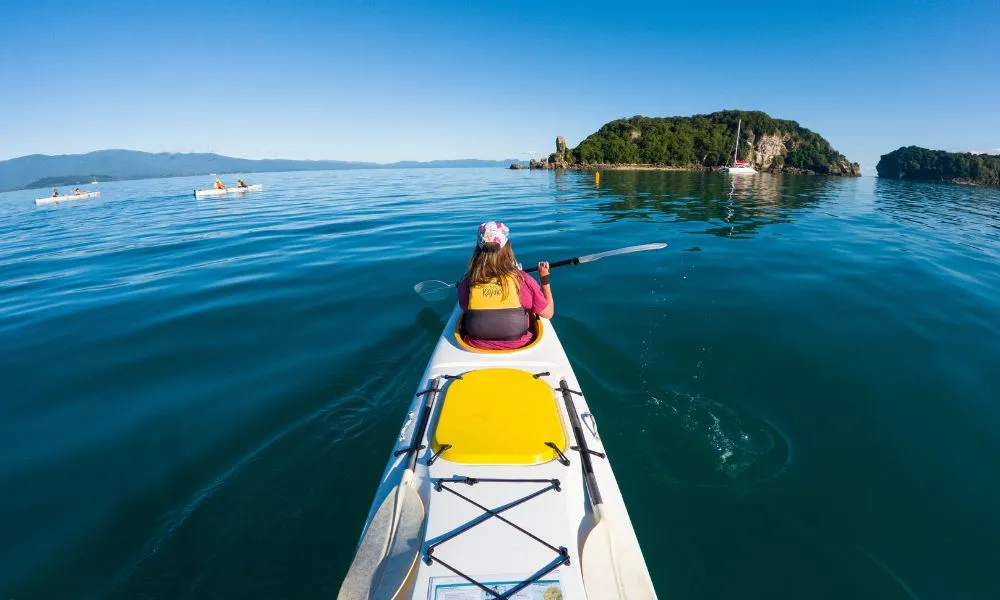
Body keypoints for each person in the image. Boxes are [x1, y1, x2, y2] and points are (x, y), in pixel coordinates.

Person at [457, 221, 554, 350]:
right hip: (520, 345)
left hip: (475, 346)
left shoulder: (467, 281)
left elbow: (465, 308)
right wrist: (544, 281)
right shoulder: (522, 279)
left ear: (478, 249)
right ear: (507, 247)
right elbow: (548, 313)